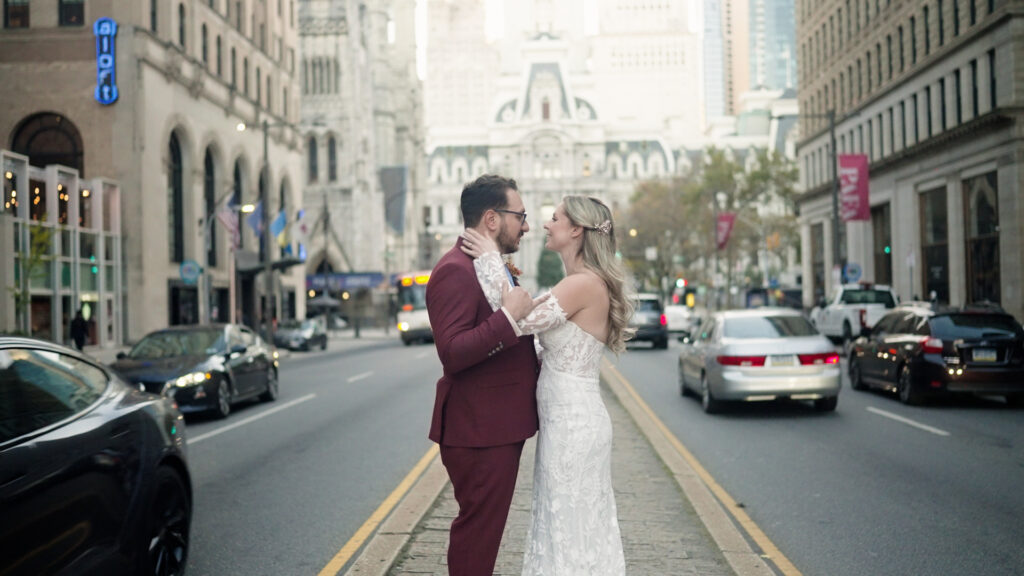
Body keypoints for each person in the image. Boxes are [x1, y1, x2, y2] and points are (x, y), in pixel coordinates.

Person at [461, 195, 633, 575]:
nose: (544, 224)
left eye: (553, 218)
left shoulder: (583, 284)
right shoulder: (577, 283)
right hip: (566, 422)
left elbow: (514, 318)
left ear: (576, 231)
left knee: (570, 528)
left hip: (574, 426)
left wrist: (490, 255)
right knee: (563, 526)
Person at [425, 174, 540, 576]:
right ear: (492, 219)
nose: (525, 225)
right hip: (478, 431)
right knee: (477, 538)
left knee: (484, 536)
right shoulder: (455, 270)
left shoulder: (484, 263)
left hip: (495, 427)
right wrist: (511, 315)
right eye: (520, 216)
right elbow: (453, 353)